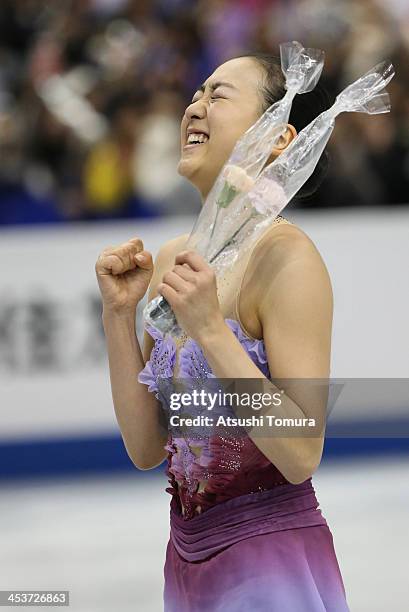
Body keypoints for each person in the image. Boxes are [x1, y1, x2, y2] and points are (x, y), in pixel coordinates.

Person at [96, 53, 350, 611]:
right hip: (185, 563)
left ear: (279, 137)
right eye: (195, 93)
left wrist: (212, 329)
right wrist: (119, 315)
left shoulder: (287, 258)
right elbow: (145, 448)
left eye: (218, 95)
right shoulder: (171, 260)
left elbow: (302, 452)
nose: (194, 106)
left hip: (270, 562)